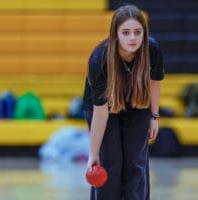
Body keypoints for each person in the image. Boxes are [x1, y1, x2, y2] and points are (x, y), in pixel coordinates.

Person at [82, 4, 164, 200]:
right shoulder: (99, 59)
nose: (132, 38)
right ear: (115, 34)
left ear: (144, 33)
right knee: (110, 161)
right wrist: (93, 154)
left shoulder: (152, 50)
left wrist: (154, 116)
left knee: (135, 162)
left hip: (138, 105)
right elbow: (101, 113)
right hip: (103, 110)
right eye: (126, 32)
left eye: (137, 32)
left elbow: (154, 84)